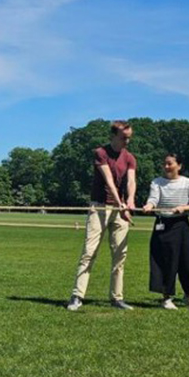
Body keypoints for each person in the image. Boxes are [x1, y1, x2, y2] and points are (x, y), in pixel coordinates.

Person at [67, 120, 136, 311]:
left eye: (129, 138)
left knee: (120, 255)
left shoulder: (130, 157)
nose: (127, 142)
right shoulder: (101, 153)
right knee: (89, 252)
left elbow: (131, 182)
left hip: (120, 209)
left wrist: (129, 202)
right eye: (124, 138)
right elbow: (109, 182)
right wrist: (121, 204)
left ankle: (117, 298)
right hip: (100, 207)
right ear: (113, 136)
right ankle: (77, 296)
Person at [142, 154, 189, 309]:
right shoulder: (157, 182)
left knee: (188, 261)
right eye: (164, 164)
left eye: (170, 164)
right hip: (163, 225)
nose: (166, 167)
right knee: (166, 262)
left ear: (179, 165)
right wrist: (149, 206)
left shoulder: (188, 183)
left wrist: (184, 208)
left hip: (182, 225)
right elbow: (153, 198)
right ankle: (166, 298)